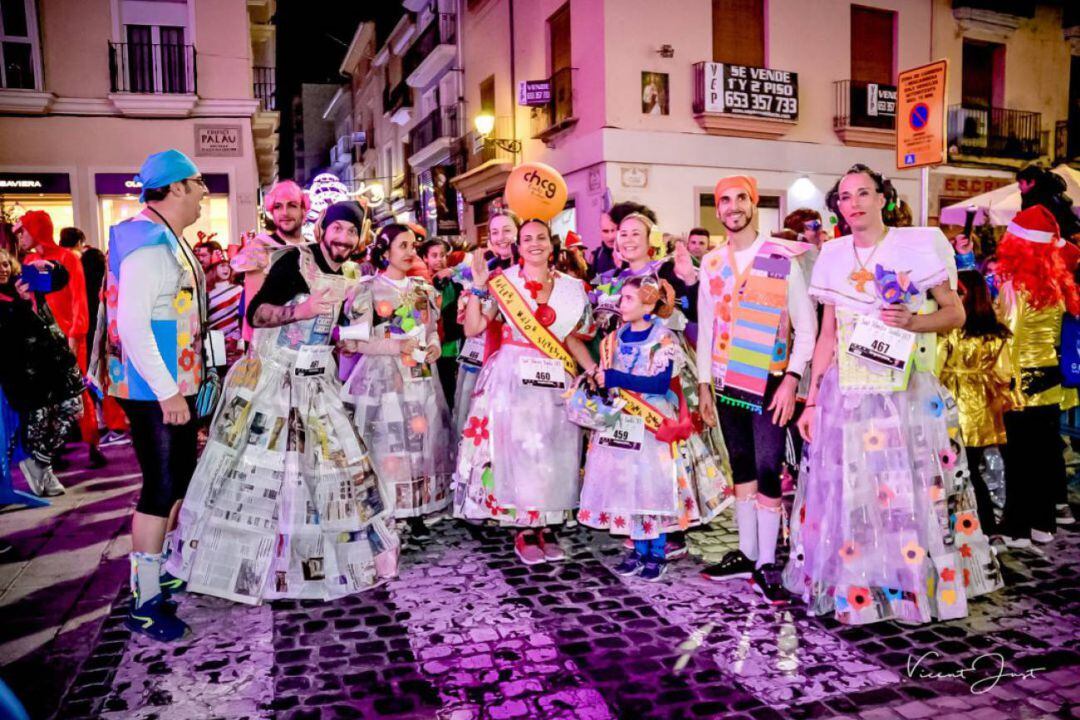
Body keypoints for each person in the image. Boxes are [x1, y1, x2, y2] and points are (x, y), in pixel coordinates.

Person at [784, 163, 1001, 625]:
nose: (855, 203)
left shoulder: (916, 246)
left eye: (864, 193)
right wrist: (813, 399)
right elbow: (827, 336)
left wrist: (914, 322)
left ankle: (912, 587)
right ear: (838, 207)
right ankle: (861, 585)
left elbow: (955, 313)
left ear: (882, 198)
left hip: (904, 390)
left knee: (908, 491)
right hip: (848, 391)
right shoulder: (832, 254)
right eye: (845, 196)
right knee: (854, 491)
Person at [170, 200, 399, 604]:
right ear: (323, 229)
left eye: (351, 231)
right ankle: (247, 565)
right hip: (273, 385)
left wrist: (399, 347)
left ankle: (309, 565)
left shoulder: (349, 276)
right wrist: (302, 309)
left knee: (325, 475)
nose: (343, 238)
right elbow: (256, 315)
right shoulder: (294, 261)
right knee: (264, 476)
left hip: (318, 386)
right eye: (337, 229)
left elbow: (342, 339)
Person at [103, 149, 209, 641]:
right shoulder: (148, 243)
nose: (205, 191)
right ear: (176, 188)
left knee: (175, 484)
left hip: (167, 386)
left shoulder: (164, 236)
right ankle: (144, 602)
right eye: (198, 182)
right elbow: (132, 325)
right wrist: (169, 394)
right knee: (159, 490)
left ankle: (159, 574)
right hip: (154, 390)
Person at [695, 175, 817, 603]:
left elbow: (807, 326)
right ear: (718, 207)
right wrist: (704, 385)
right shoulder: (710, 263)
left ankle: (768, 562)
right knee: (741, 467)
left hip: (769, 380)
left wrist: (793, 380)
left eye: (741, 198)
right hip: (727, 380)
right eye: (724, 199)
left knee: (769, 470)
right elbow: (707, 327)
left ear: (753, 203)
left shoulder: (780, 256)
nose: (733, 206)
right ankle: (746, 552)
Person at [453, 218, 596, 565]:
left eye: (541, 238)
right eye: (526, 238)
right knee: (516, 450)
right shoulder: (504, 283)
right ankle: (522, 528)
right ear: (518, 245)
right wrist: (477, 286)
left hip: (555, 376)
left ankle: (547, 525)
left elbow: (573, 336)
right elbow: (474, 327)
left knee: (553, 452)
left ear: (552, 244)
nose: (534, 243)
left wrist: (592, 371)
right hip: (512, 376)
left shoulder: (571, 288)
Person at [577, 276, 725, 581]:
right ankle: (638, 549)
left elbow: (659, 383)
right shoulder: (615, 338)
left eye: (629, 299)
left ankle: (656, 552)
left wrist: (617, 378)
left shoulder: (663, 338)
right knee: (626, 483)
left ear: (648, 305)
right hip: (623, 421)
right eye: (621, 299)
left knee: (652, 485)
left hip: (653, 421)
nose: (622, 304)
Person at [340, 224, 454, 538]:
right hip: (383, 378)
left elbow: (431, 330)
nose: (409, 252)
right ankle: (390, 507)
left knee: (421, 441)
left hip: (420, 378)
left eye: (412, 246)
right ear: (385, 250)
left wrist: (431, 346)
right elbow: (355, 342)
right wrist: (394, 346)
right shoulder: (368, 290)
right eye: (402, 246)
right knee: (388, 444)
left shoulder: (423, 289)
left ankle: (415, 507)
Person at [996, 205, 1080, 546]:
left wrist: (1001, 383)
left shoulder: (1014, 287)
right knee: (1045, 453)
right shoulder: (1057, 286)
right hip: (1050, 380)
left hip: (1020, 381)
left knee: (1018, 457)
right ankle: (1043, 525)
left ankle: (1016, 527)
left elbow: (1008, 341)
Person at [15, 212, 102, 468]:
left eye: (24, 231)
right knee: (48, 397)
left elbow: (79, 300)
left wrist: (75, 337)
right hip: (43, 340)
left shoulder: (67, 258)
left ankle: (92, 443)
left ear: (37, 229)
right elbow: (29, 302)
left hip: (69, 337)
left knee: (79, 392)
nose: (20, 237)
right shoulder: (30, 261)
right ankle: (54, 449)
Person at [0, 248, 83, 496]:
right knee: (37, 424)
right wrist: (22, 303)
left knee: (73, 410)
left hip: (55, 366)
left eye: (5, 264)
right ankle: (42, 469)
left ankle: (40, 462)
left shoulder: (26, 282)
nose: (3, 269)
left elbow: (60, 278)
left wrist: (51, 266)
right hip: (24, 374)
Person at [938, 267, 1012, 539]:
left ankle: (966, 529)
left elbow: (935, 366)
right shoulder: (998, 333)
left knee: (955, 472)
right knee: (973, 472)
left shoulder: (951, 331)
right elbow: (1005, 374)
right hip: (983, 409)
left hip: (953, 406)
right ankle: (987, 528)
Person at [451, 210, 519, 436]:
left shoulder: (527, 270)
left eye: (507, 230)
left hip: (516, 357)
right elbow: (474, 322)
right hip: (482, 352)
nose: (501, 237)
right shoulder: (484, 270)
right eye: (495, 232)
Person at [231, 180, 311, 341]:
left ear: (304, 210)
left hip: (304, 341)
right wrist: (252, 349)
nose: (284, 213)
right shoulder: (260, 247)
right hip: (268, 343)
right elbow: (251, 309)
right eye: (278, 207)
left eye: (292, 205)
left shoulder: (312, 248)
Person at [418, 238, 464, 410]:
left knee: (449, 391)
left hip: (450, 346)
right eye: (434, 255)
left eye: (443, 255)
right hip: (428, 345)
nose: (439, 259)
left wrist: (452, 271)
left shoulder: (455, 281)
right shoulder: (419, 283)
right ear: (425, 258)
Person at [205, 248, 243, 367]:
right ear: (213, 269)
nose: (226, 269)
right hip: (214, 341)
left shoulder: (239, 289)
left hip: (236, 340)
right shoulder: (206, 293)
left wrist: (236, 337)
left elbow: (243, 317)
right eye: (222, 266)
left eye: (228, 266)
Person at [590, 211, 619, 277]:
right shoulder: (598, 254)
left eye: (613, 230)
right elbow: (595, 282)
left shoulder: (628, 253)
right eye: (605, 231)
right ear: (600, 231)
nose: (610, 236)